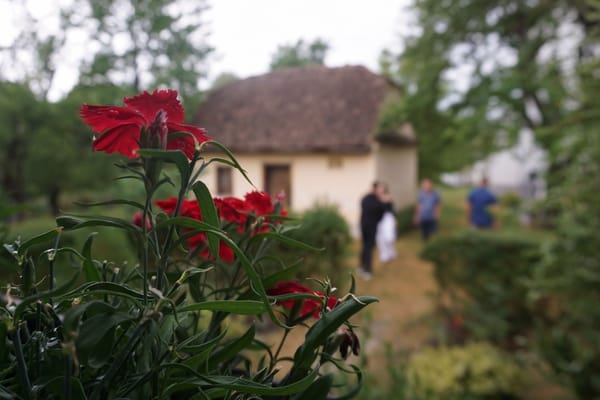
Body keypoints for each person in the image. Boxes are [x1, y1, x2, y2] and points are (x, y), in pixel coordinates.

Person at [359, 181, 388, 280]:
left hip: (366, 225)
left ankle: (362, 267)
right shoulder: (373, 200)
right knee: (368, 248)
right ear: (375, 189)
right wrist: (383, 201)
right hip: (369, 227)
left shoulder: (368, 198)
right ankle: (367, 270)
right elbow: (380, 210)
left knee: (365, 247)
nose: (382, 190)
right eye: (381, 188)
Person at [376, 185, 397, 263]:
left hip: (388, 218)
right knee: (380, 238)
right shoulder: (375, 198)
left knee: (389, 237)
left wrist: (394, 218)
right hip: (379, 219)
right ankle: (384, 255)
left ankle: (391, 253)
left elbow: (392, 209)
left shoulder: (388, 197)